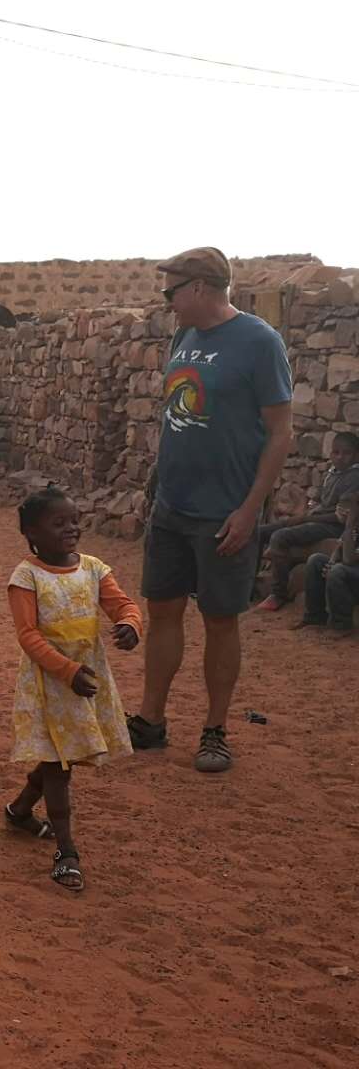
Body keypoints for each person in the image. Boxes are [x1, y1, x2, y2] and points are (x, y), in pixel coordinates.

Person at [130, 247, 293, 773]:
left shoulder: (259, 342)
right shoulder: (185, 337)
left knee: (220, 620)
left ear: (200, 287)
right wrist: (156, 479)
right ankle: (150, 720)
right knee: (163, 611)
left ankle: (215, 730)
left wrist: (250, 510)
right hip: (172, 505)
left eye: (171, 291)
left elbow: (280, 432)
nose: (167, 302)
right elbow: (176, 415)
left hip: (224, 511)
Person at [4, 486, 142, 892]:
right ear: (32, 532)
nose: (71, 529)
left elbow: (123, 605)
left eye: (74, 521)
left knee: (56, 758)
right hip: (49, 684)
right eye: (58, 523)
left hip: (87, 679)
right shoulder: (26, 576)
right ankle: (67, 851)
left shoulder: (94, 568)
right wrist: (66, 670)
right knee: (58, 766)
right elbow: (27, 635)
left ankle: (18, 811)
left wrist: (131, 625)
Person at [257, 432, 359, 610]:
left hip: (332, 527)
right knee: (258, 532)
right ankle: (248, 584)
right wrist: (308, 512)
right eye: (336, 452)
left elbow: (340, 517)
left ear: (356, 454)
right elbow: (320, 500)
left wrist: (305, 518)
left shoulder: (354, 477)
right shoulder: (331, 472)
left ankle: (278, 594)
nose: (340, 458)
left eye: (346, 453)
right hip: (317, 519)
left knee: (280, 537)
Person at [296, 491, 359, 636]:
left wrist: (349, 525)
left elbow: (349, 559)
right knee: (316, 560)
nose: (346, 512)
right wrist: (331, 562)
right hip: (352, 573)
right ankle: (315, 617)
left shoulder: (352, 526)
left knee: (338, 571)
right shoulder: (355, 528)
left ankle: (342, 624)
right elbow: (339, 549)